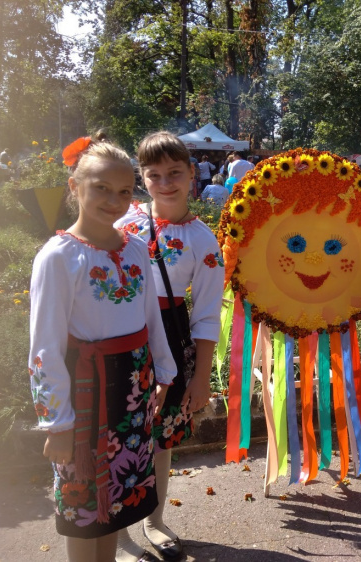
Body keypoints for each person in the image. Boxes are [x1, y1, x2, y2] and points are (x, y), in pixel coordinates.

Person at [29, 135, 176, 562]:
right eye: (101, 188)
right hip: (84, 391)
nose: (114, 200)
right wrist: (57, 421)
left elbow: (151, 317)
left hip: (131, 389)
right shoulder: (58, 257)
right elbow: (44, 346)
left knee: (117, 500)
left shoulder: (134, 248)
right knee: (83, 502)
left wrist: (163, 373)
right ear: (74, 186)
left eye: (125, 191)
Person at [114, 131, 225, 562]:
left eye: (174, 173)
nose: (165, 182)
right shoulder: (124, 224)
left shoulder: (203, 240)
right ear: (143, 177)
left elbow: (207, 313)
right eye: (154, 174)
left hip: (174, 344)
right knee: (122, 440)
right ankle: (119, 535)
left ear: (191, 174)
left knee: (161, 440)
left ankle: (155, 521)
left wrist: (201, 378)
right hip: (123, 339)